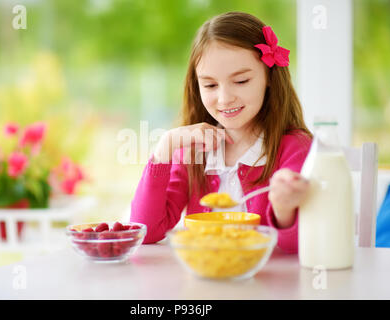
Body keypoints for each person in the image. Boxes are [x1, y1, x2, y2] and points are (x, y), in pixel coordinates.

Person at [130, 11, 312, 254]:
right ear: (197, 85)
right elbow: (146, 231)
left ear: (269, 77)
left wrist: (284, 208)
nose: (225, 98)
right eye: (210, 85)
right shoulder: (194, 151)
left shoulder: (294, 148)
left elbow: (296, 248)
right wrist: (166, 144)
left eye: (241, 81)